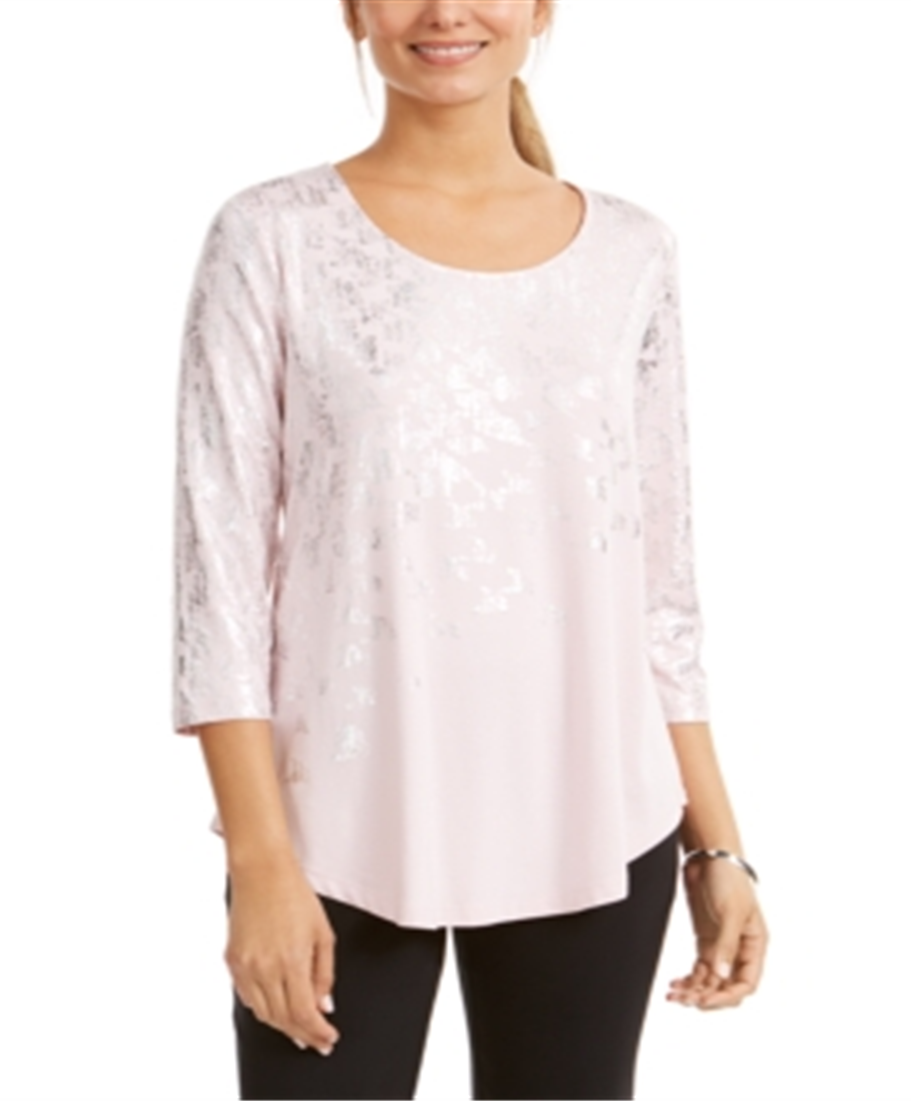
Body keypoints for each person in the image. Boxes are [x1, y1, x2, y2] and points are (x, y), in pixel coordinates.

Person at [172, 1, 768, 1097]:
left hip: (597, 819)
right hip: (339, 828)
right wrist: (259, 864)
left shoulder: (631, 251)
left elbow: (658, 588)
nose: (446, 11)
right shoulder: (273, 237)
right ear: (354, 11)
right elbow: (218, 582)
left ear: (541, 8)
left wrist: (715, 845)